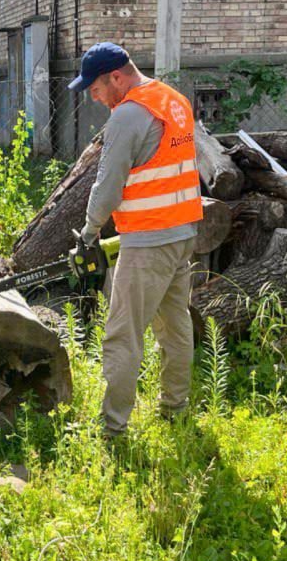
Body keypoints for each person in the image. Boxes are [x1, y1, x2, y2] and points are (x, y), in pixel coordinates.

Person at [68, 42, 202, 438]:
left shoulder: (129, 113)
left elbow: (107, 184)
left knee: (122, 334)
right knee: (175, 328)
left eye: (94, 88)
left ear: (116, 77)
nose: (93, 98)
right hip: (182, 232)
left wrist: (89, 232)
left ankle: (112, 429)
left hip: (148, 240)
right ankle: (175, 408)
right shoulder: (172, 100)